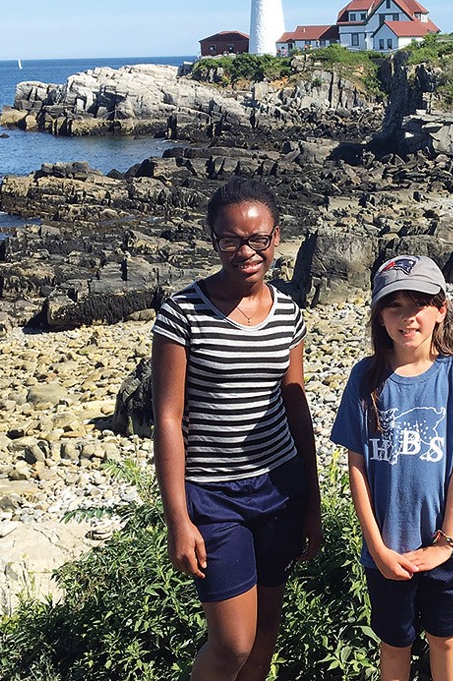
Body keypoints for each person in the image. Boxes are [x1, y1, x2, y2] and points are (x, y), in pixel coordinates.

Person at [151, 177, 322, 681]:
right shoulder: (182, 313)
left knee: (267, 628)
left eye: (258, 240)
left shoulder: (290, 313)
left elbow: (296, 408)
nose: (246, 252)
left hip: (279, 487)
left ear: (276, 238)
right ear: (214, 240)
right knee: (232, 642)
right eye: (231, 240)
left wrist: (311, 503)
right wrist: (177, 518)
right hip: (213, 496)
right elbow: (168, 419)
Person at [331, 255, 453, 681]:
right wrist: (376, 547)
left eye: (419, 304)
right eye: (395, 306)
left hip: (450, 546)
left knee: (445, 639)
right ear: (380, 317)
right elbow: (357, 467)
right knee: (394, 644)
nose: (407, 318)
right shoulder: (365, 377)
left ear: (441, 309)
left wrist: (444, 542)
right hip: (388, 550)